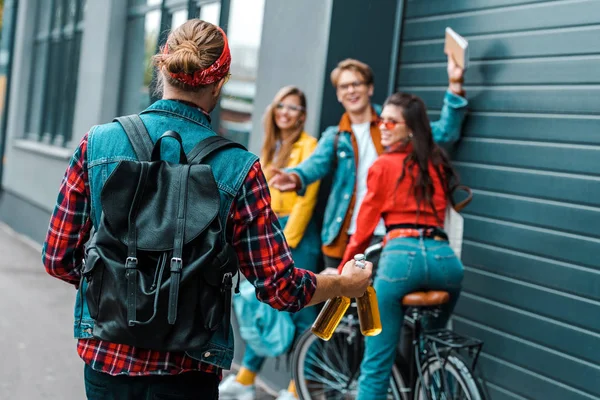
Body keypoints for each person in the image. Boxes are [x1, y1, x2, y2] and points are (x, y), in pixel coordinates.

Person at [41, 19, 371, 400]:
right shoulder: (239, 168)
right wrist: (343, 283)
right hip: (189, 370)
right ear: (219, 83)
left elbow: (58, 258)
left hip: (107, 357)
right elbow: (282, 288)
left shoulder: (97, 144)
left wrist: (117, 284)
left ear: (161, 68)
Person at [269, 58, 467, 271]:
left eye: (357, 84)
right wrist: (294, 176)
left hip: (384, 233)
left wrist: (455, 86)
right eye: (344, 86)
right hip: (341, 233)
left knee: (374, 299)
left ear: (370, 88)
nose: (351, 90)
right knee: (339, 300)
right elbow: (313, 165)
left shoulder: (394, 124)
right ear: (338, 94)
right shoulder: (335, 136)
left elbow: (445, 132)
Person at [340, 92, 465, 399]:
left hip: (400, 261)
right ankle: (432, 372)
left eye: (391, 122)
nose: (382, 126)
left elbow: (364, 230)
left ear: (409, 129)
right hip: (447, 264)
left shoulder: (383, 165)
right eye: (382, 119)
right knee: (433, 340)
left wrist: (345, 266)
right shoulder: (435, 163)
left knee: (376, 364)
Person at [219, 86, 322, 400]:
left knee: (303, 310)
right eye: (282, 106)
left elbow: (307, 198)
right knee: (262, 304)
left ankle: (295, 387)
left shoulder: (310, 145)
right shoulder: (271, 145)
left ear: (302, 116)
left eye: (294, 108)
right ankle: (247, 378)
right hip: (272, 226)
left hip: (296, 233)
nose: (286, 113)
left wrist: (286, 241)